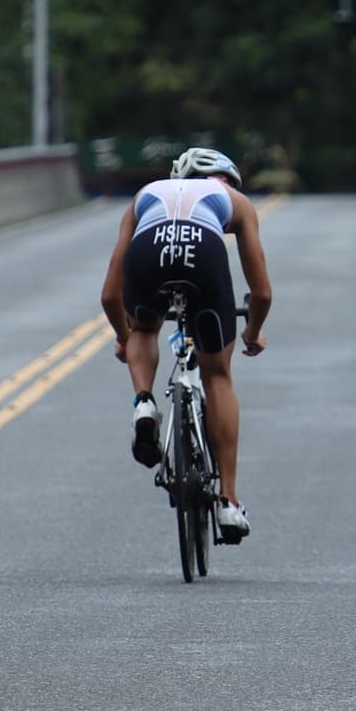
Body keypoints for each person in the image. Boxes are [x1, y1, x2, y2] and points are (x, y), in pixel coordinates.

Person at [99, 146, 271, 541]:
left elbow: (110, 297)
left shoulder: (147, 194)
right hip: (203, 256)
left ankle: (144, 403)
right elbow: (261, 293)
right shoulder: (236, 202)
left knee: (145, 327)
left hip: (149, 251)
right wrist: (251, 332)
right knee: (218, 377)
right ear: (227, 180)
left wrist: (126, 341)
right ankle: (228, 503)